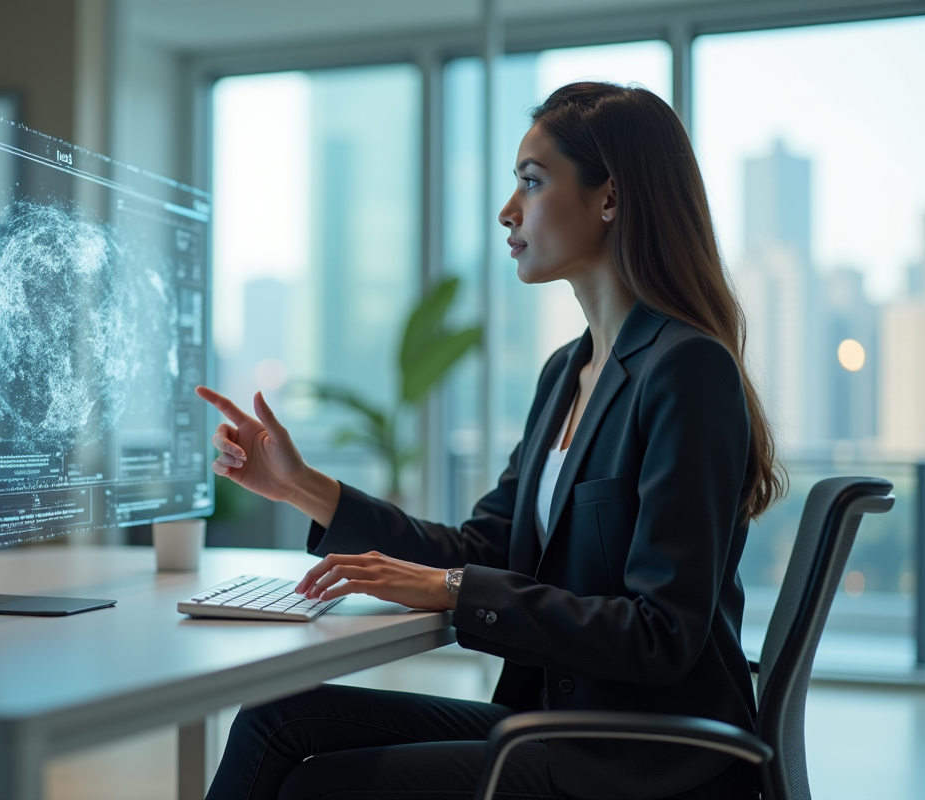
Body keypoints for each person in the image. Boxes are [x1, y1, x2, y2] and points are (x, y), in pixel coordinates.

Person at [195, 81, 783, 800]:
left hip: (641, 755)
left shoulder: (686, 369)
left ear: (610, 198)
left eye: (532, 183)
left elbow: (661, 633)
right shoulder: (567, 372)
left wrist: (450, 590)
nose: (509, 211)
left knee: (320, 788)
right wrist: (299, 487)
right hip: (552, 722)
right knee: (274, 717)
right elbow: (484, 549)